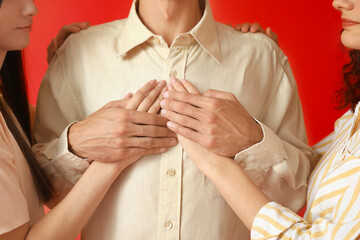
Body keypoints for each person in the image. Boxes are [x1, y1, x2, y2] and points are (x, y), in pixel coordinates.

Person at [33, 0, 315, 239]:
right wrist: (77, 146)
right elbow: (46, 194)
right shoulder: (75, 55)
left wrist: (251, 141)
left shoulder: (261, 57)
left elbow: (292, 199)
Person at [160, 0, 360, 238]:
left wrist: (215, 161)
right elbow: (318, 175)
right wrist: (265, 64)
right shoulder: (352, 122)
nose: (339, 2)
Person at [0, 0, 176, 239]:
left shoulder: (7, 106)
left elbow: (27, 141)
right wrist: (110, 162)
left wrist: (67, 72)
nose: (31, 9)